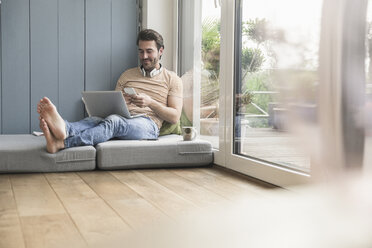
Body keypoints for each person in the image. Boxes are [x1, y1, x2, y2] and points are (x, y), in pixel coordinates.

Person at [37, 29, 183, 153]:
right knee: (94, 120)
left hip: (148, 124)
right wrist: (122, 102)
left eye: (149, 51)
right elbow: (114, 106)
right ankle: (64, 128)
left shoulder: (172, 79)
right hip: (124, 117)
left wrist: (150, 103)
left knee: (114, 121)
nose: (144, 56)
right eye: (141, 51)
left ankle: (62, 143)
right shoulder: (127, 75)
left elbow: (175, 117)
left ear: (161, 51)